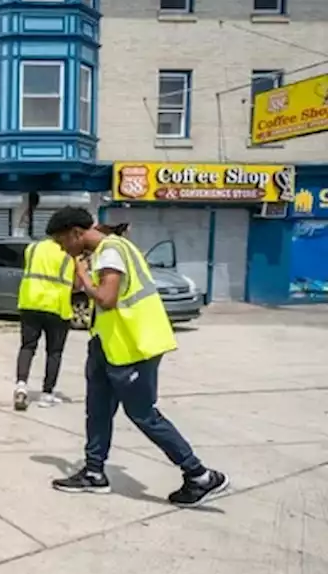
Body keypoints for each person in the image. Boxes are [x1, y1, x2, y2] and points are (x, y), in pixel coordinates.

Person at [45, 207, 228, 506]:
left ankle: (199, 475)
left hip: (134, 346)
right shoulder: (106, 249)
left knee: (144, 414)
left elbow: (107, 298)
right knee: (98, 410)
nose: (61, 248)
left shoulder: (111, 251)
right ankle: (94, 472)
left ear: (76, 233)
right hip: (108, 344)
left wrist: (83, 277)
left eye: (61, 241)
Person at [13, 235, 75, 410]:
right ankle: (47, 394)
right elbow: (75, 283)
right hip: (57, 306)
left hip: (30, 302)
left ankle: (21, 386)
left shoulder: (32, 248)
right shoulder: (68, 253)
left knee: (27, 346)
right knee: (54, 352)